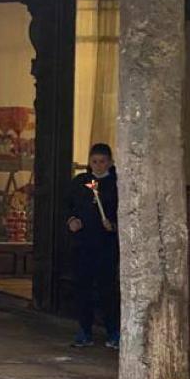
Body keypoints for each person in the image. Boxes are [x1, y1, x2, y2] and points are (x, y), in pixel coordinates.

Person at [66, 143, 120, 349]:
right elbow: (68, 206)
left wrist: (113, 225)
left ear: (110, 162)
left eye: (103, 162)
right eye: (94, 162)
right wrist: (72, 220)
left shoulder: (116, 184)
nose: (98, 166)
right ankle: (84, 330)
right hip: (83, 244)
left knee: (107, 289)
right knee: (83, 288)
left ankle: (113, 331)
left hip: (106, 245)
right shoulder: (80, 183)